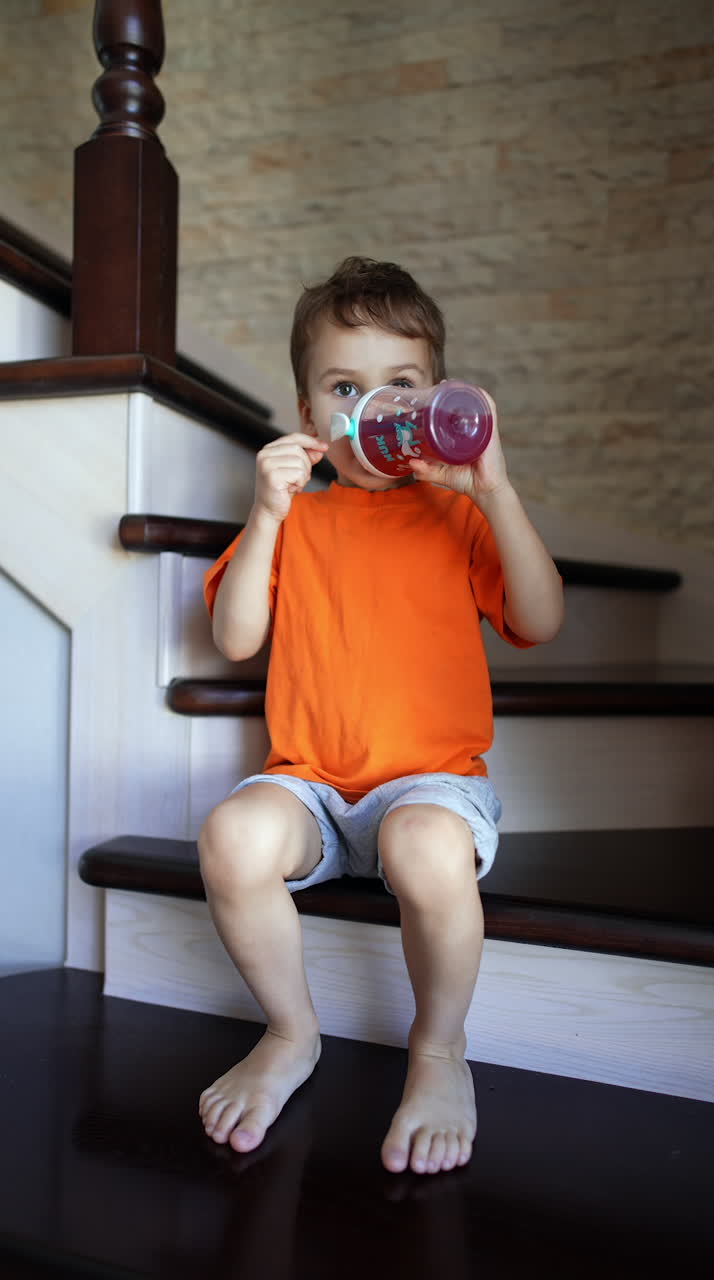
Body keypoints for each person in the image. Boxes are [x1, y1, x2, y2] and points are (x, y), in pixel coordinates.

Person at [198, 257, 564, 1176]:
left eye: (401, 386)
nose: (374, 410)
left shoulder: (454, 514)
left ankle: (439, 1051)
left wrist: (497, 492)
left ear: (437, 401)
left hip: (430, 783)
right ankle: (289, 1032)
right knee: (233, 835)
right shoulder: (296, 521)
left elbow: (540, 619)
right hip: (312, 787)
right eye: (344, 387)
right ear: (308, 410)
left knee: (426, 849)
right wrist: (266, 512)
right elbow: (234, 637)